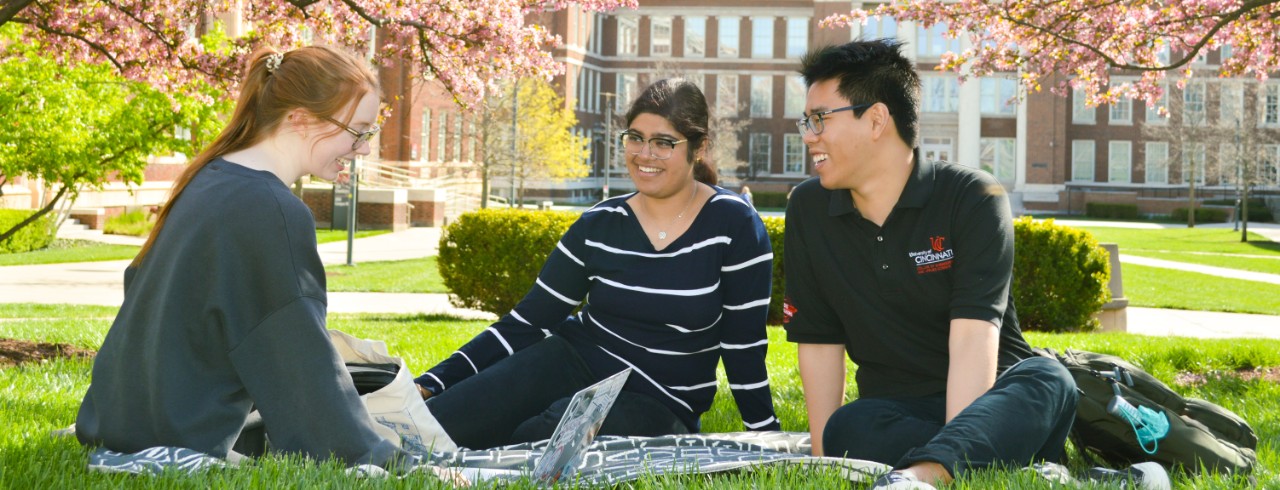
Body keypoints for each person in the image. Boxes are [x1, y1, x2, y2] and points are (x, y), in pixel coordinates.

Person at [76, 46, 409, 469]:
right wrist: (370, 455)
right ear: (300, 119)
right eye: (357, 131)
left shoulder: (211, 178)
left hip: (121, 421)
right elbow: (298, 357)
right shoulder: (268, 207)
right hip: (179, 433)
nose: (362, 149)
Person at [416, 78, 779, 450]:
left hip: (659, 400)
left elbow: (743, 345)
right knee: (431, 430)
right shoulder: (599, 224)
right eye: (635, 137)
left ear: (698, 148)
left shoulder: (734, 224)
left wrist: (764, 431)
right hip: (571, 360)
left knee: (541, 444)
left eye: (663, 143)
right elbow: (528, 322)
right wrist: (433, 382)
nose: (644, 154)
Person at [783, 40, 1079, 489]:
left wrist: (957, 445)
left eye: (821, 118)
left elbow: (972, 340)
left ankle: (919, 476)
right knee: (845, 428)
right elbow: (819, 340)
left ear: (877, 119)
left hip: (996, 402)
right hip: (900, 411)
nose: (809, 134)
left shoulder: (973, 197)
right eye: (807, 120)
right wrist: (825, 464)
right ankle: (1013, 470)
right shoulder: (808, 207)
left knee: (1049, 377)